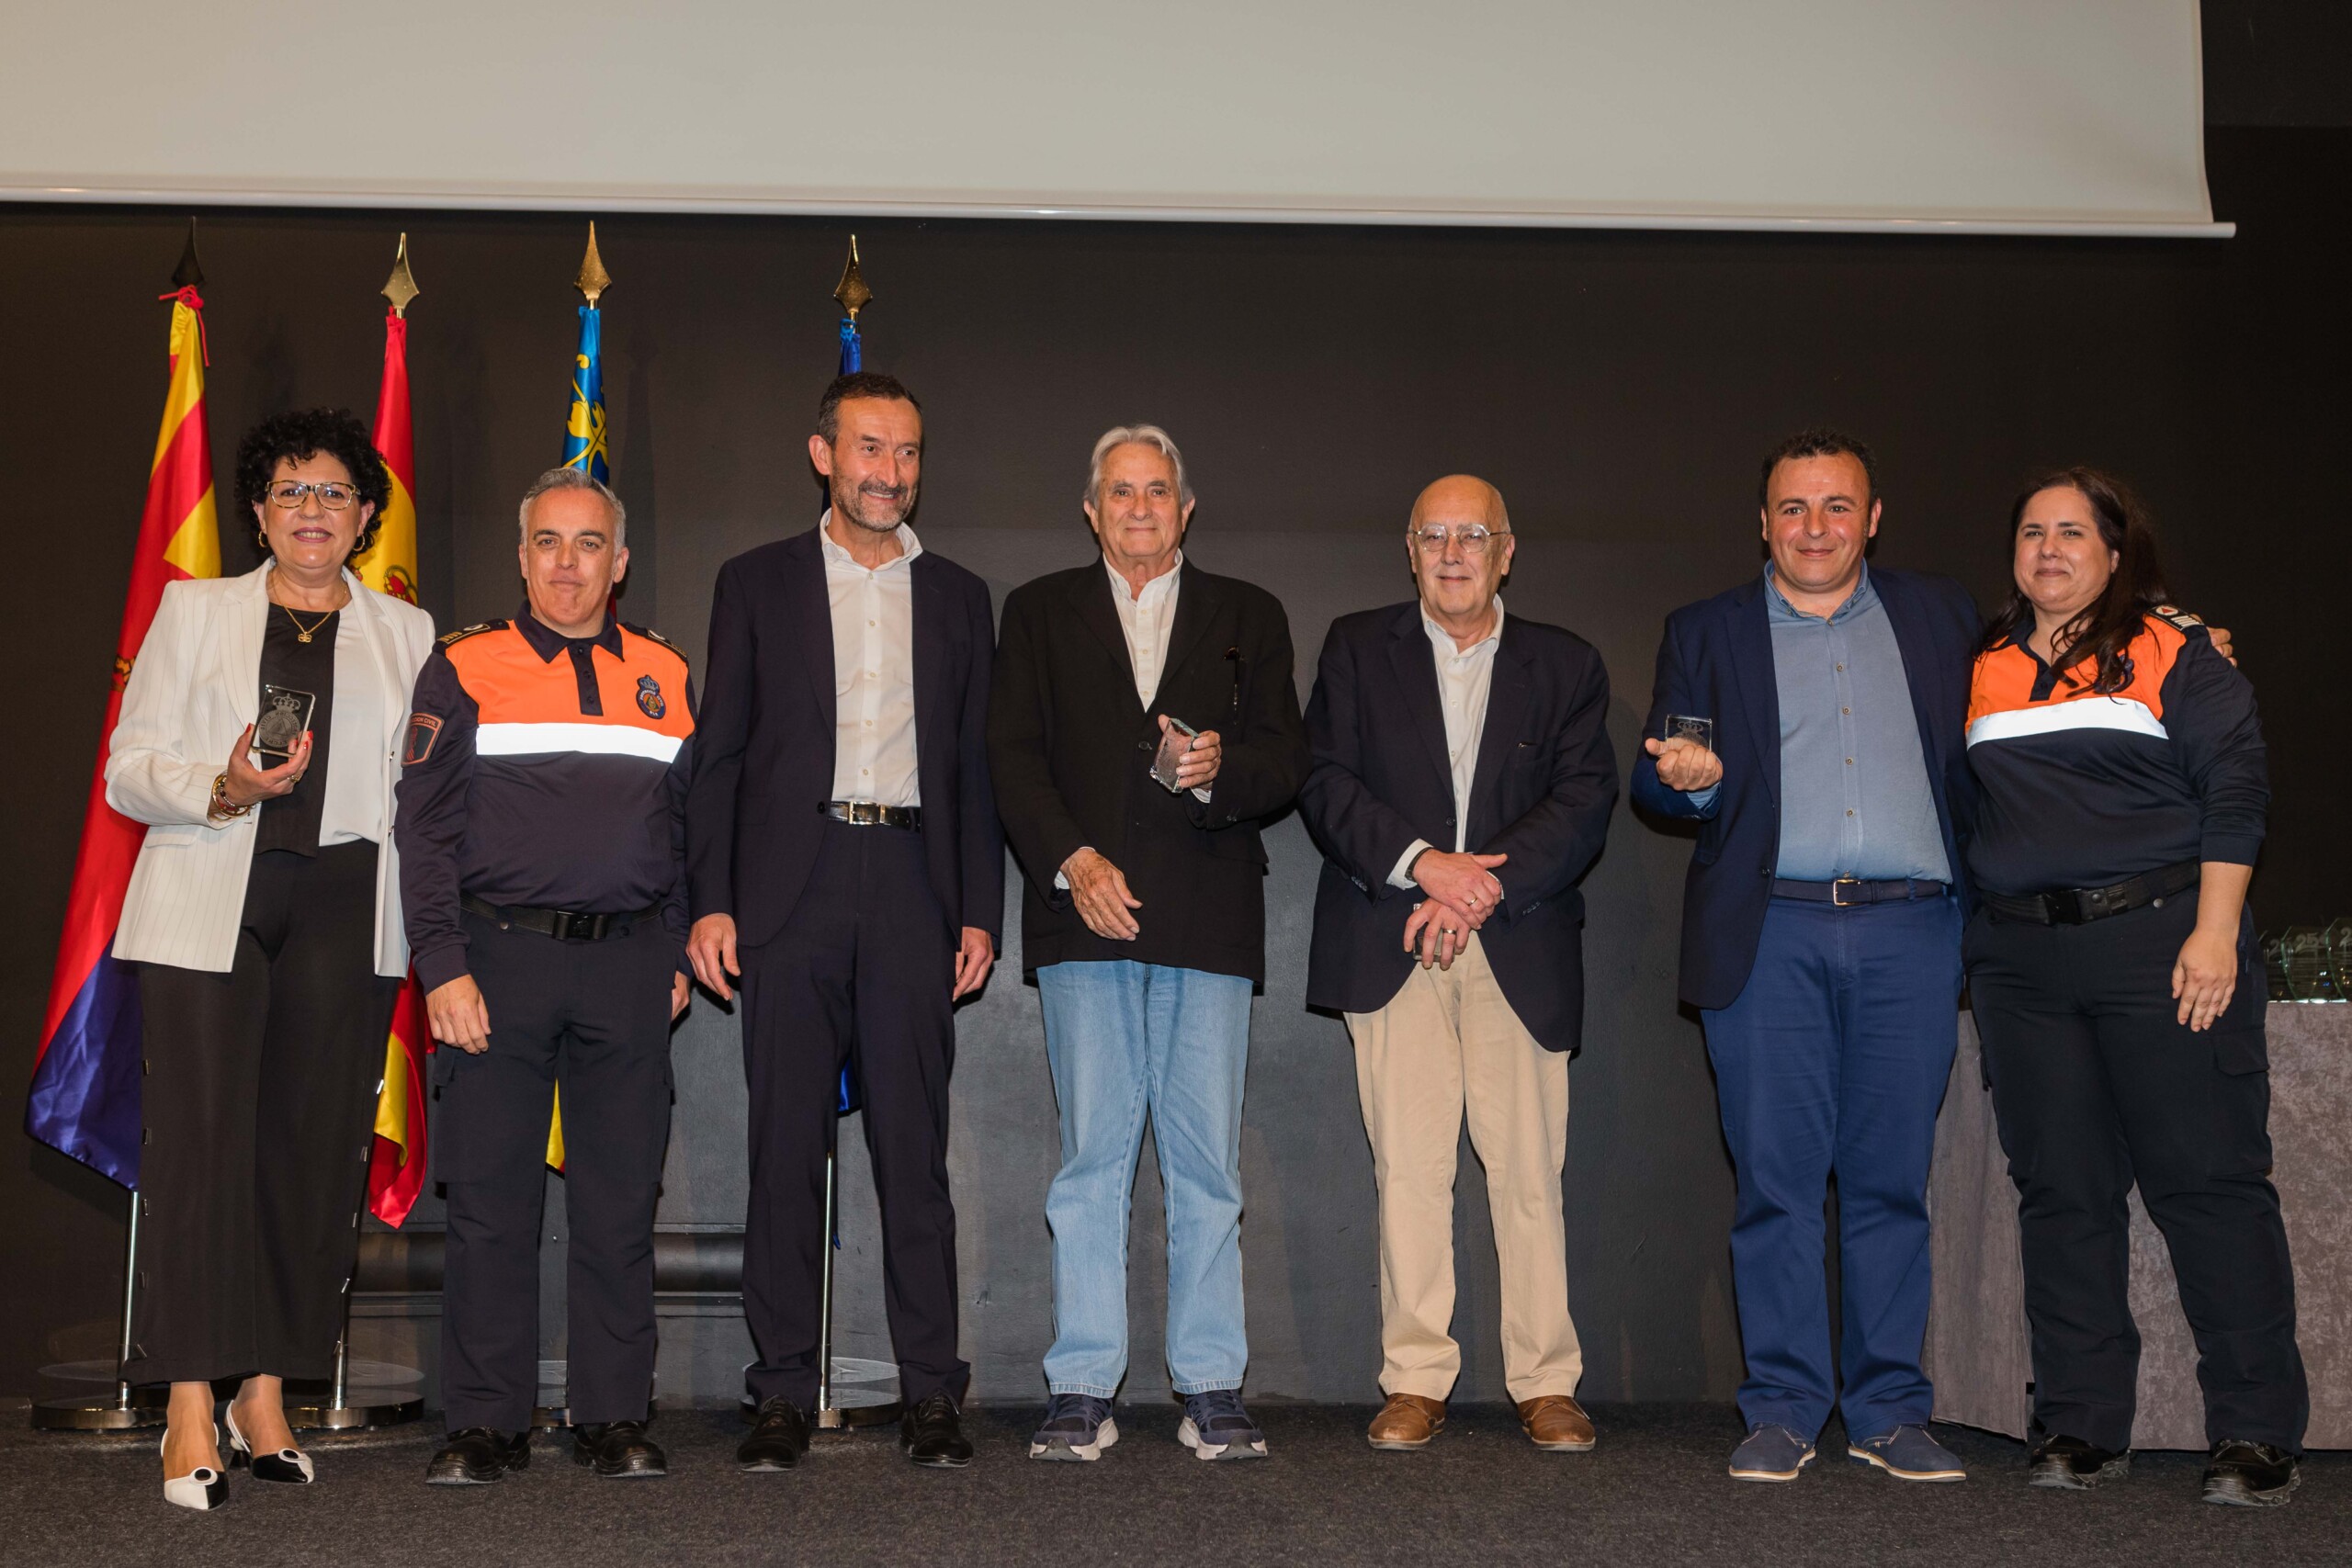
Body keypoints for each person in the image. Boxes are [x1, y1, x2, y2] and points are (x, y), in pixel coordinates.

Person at [1631, 430, 1980, 1484]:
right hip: (1768, 933)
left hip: (1912, 932)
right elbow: (1657, 775)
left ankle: (1887, 1410)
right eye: (1792, 508)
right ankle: (1782, 1408)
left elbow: (2048, 678)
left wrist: (2177, 636)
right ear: (1763, 522)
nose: (1814, 527)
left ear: (1872, 519)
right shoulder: (1706, 629)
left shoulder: (1942, 616)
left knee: (1890, 1183)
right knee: (1775, 1187)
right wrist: (1689, 780)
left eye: (1836, 507)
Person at [106, 409, 435, 1510]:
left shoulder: (408, 632)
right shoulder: (194, 610)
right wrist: (225, 783)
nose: (312, 510)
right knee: (202, 1148)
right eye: (291, 490)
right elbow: (126, 768)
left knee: (308, 1151)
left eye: (334, 492)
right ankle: (187, 1401)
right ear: (257, 511)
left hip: (347, 904)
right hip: (212, 892)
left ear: (365, 515)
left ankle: (264, 1395)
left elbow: (426, 791)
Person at [1961, 468, 2305, 1507]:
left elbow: (2237, 788)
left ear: (2116, 553)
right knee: (2062, 1192)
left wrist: (2215, 934)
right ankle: (2081, 1422)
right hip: (2022, 963)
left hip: (2162, 942)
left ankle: (2253, 1428)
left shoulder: (2174, 650)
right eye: (2032, 531)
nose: (2049, 548)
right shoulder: (1981, 660)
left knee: (2207, 1186)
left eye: (2073, 532)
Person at [686, 372, 1002, 1472]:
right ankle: (779, 1393)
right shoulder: (754, 582)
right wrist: (712, 898)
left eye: (907, 452)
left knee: (915, 1157)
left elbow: (972, 767)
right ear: (823, 454)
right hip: (791, 890)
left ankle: (932, 1395)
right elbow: (720, 754)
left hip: (914, 886)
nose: (890, 472)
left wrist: (977, 912)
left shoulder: (959, 596)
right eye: (870, 448)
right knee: (784, 1152)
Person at [989, 424, 1309, 1463]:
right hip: (1081, 916)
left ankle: (1211, 1383)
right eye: (1120, 491)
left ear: (1186, 507)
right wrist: (1074, 862)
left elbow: (1286, 761)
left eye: (1157, 490)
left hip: (1206, 918)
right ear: (1092, 510)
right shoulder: (1037, 611)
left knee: (1206, 1166)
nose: (1139, 508)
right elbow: (1011, 756)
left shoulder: (1249, 615)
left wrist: (1221, 770)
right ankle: (1083, 1386)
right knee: (1091, 1163)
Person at [1298, 476, 1617, 1454]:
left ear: (1505, 552)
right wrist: (1422, 866)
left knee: (1529, 1173)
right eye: (1432, 535)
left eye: (1471, 535)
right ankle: (1414, 1378)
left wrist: (1475, 886)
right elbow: (1324, 780)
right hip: (1389, 937)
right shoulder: (1357, 648)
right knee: (1408, 1168)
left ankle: (1546, 1381)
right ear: (1409, 550)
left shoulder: (1566, 662)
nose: (1451, 552)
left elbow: (1584, 799)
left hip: (1518, 942)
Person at [399, 467, 695, 1484]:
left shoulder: (666, 672)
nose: (568, 564)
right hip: (496, 962)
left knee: (618, 1204)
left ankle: (612, 1414)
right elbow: (424, 833)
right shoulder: (463, 664)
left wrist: (674, 949)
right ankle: (486, 1422)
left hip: (627, 966)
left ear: (621, 562)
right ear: (521, 557)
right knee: (492, 1204)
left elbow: (686, 834)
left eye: (588, 543)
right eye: (548, 543)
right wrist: (440, 965)